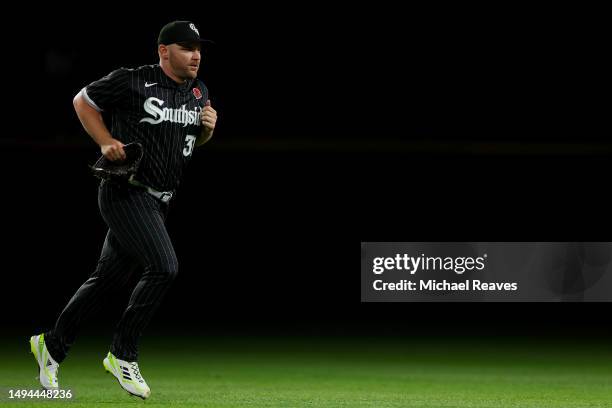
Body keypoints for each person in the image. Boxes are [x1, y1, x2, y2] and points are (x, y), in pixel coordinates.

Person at [29, 20, 217, 399]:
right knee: (165, 267)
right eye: (185, 46)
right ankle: (122, 354)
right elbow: (82, 100)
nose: (195, 54)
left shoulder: (198, 91)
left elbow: (188, 144)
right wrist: (104, 141)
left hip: (160, 200)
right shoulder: (133, 80)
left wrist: (208, 130)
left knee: (106, 281)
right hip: (125, 193)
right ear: (164, 51)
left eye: (198, 47)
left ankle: (51, 345)